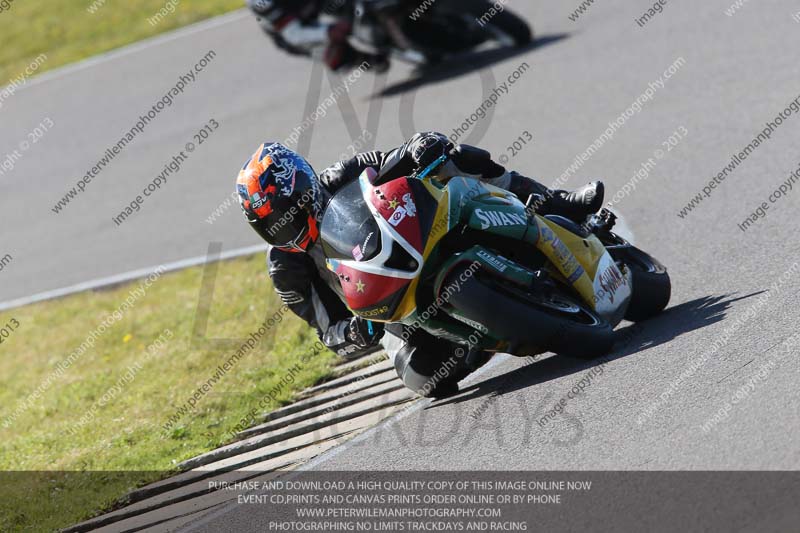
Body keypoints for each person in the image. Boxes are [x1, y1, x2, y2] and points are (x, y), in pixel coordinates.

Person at [235, 132, 604, 397]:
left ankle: (556, 202)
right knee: (424, 378)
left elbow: (391, 160)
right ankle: (478, 336)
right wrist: (353, 333)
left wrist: (419, 146)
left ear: (304, 188)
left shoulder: (340, 175)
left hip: (423, 238)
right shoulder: (286, 268)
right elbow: (327, 329)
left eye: (287, 212)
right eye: (269, 225)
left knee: (453, 158)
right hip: (392, 310)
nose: (284, 227)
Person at [246, 0, 388, 72]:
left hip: (316, 3)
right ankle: (362, 59)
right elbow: (294, 34)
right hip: (296, 28)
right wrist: (329, 31)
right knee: (334, 55)